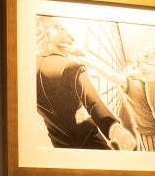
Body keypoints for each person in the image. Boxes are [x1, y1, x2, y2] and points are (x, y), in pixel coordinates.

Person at [34, 18, 135, 151]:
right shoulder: (71, 67)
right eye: (58, 28)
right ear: (40, 31)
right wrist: (114, 129)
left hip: (59, 144)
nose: (71, 36)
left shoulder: (29, 69)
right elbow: (93, 103)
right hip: (91, 142)